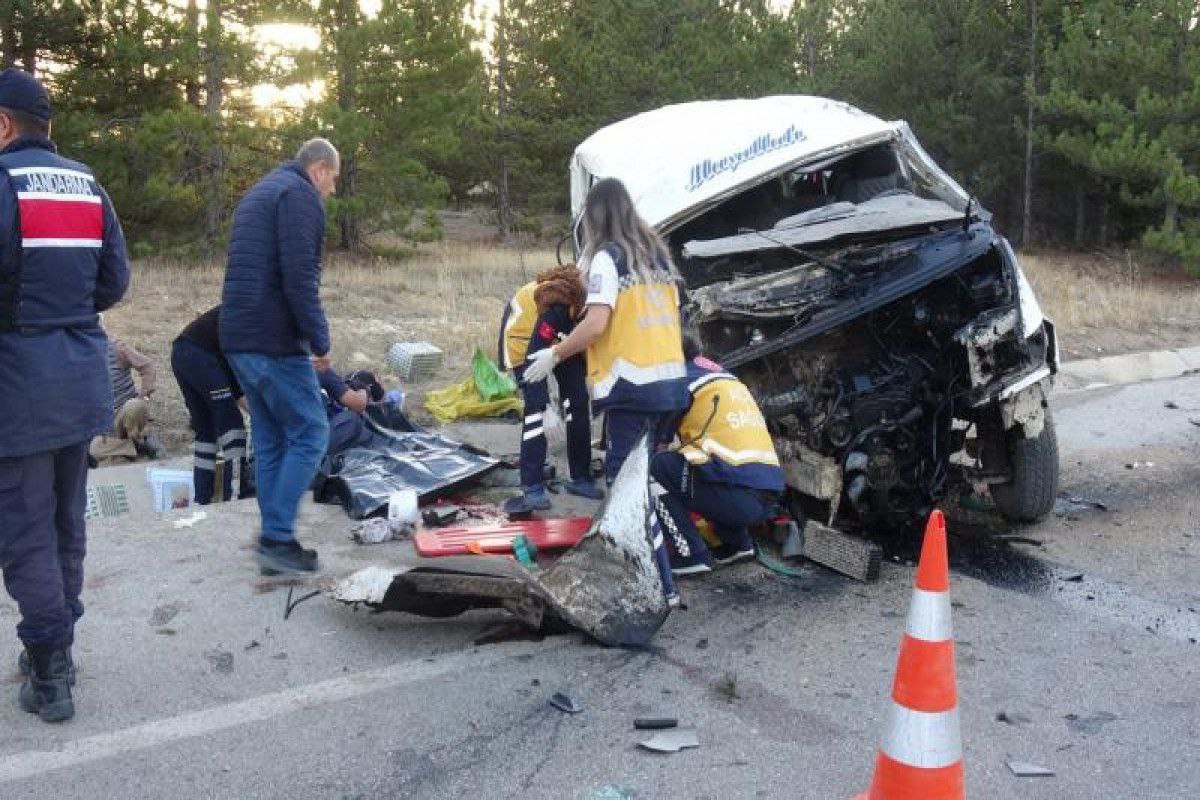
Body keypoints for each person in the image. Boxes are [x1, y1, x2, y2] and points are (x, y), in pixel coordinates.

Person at [0, 69, 130, 722]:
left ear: (2, 125)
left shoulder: (1, 184)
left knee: (24, 532)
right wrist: (67, 312)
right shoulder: (87, 184)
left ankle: (50, 669)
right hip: (80, 378)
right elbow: (114, 281)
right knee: (64, 522)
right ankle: (58, 642)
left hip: (19, 386)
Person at [220, 138, 339, 575]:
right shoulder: (299, 196)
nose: (332, 190)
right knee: (310, 431)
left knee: (271, 438)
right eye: (333, 180)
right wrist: (319, 340)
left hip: (236, 335)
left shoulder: (261, 191)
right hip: (271, 338)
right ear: (320, 169)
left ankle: (274, 539)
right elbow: (299, 276)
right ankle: (277, 538)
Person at [522, 178, 689, 485]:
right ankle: (655, 532)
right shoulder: (660, 258)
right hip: (672, 388)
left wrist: (555, 354)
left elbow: (597, 324)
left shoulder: (608, 258)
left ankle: (627, 535)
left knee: (625, 481)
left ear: (595, 217)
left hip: (633, 389)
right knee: (650, 479)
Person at [651, 337, 785, 575]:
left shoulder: (680, 381)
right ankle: (737, 544)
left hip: (738, 497)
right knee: (706, 466)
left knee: (656, 469)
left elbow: (658, 447)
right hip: (768, 493)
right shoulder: (724, 377)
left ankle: (691, 554)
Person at [498, 265, 602, 514]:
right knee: (535, 414)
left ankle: (579, 476)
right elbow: (535, 356)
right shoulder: (559, 306)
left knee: (577, 400)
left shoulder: (598, 306)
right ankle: (532, 484)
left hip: (560, 340)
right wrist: (545, 408)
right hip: (525, 341)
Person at [170, 305, 249, 504]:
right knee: (233, 424)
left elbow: (236, 389)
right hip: (199, 355)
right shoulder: (254, 311)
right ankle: (235, 494)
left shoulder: (239, 306)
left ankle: (202, 499)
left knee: (205, 429)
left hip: (181, 353)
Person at [88, 336, 162, 464]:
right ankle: (137, 445)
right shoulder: (76, 355)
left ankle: (133, 440)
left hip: (125, 412)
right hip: (104, 426)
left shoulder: (116, 348)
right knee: (93, 450)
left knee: (135, 406)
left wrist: (144, 396)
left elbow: (147, 366)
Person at [317, 365, 383, 458]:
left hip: (294, 435)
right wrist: (364, 389)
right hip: (309, 445)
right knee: (353, 419)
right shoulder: (320, 369)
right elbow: (358, 404)